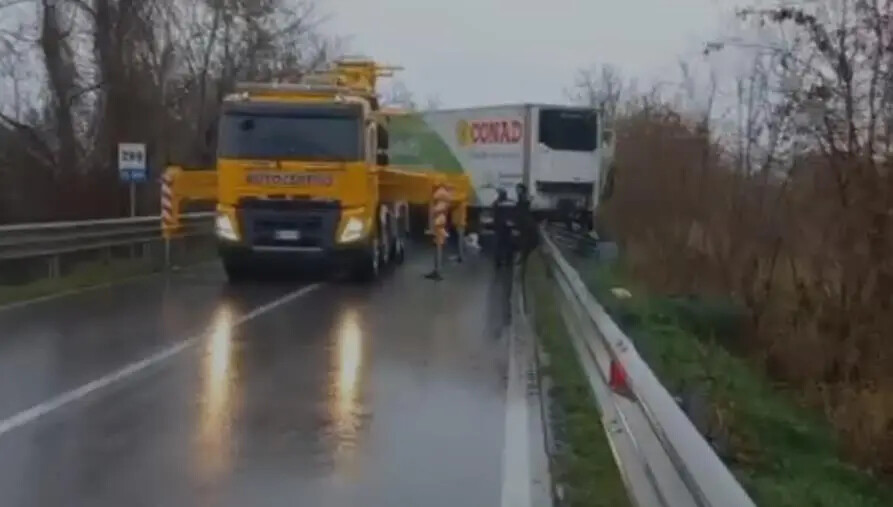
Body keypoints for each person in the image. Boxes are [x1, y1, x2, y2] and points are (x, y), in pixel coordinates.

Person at [514, 183, 539, 282]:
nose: (517, 191)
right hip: (525, 223)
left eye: (518, 189)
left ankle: (523, 258)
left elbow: (522, 210)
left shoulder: (522, 199)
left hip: (525, 223)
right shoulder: (523, 198)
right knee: (525, 241)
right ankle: (524, 257)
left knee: (524, 241)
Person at [492, 188, 514, 268]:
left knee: (498, 244)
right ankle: (508, 261)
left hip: (499, 226)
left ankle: (498, 262)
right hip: (508, 226)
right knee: (508, 243)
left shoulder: (496, 203)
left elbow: (495, 215)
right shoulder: (511, 202)